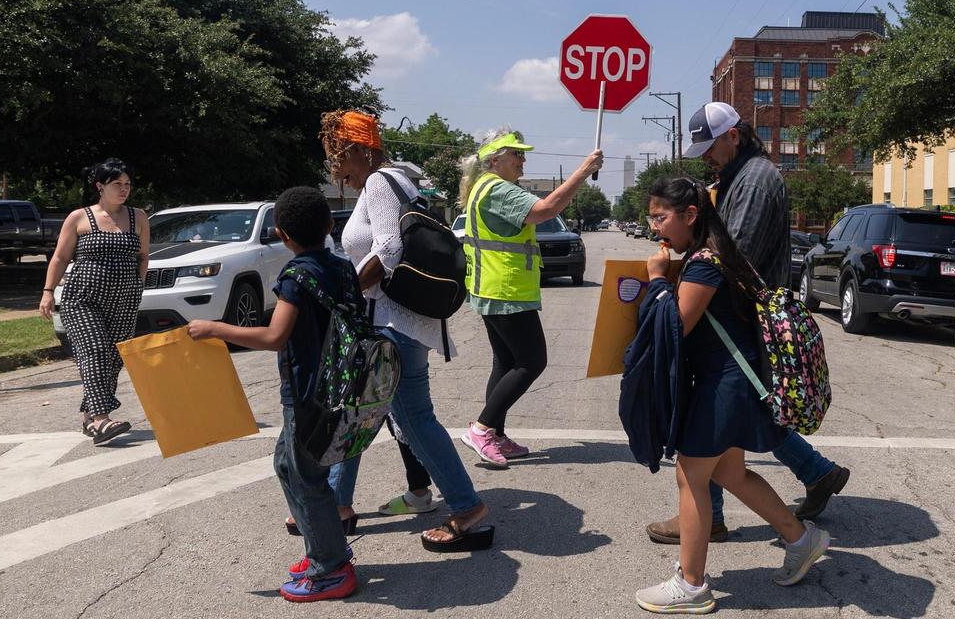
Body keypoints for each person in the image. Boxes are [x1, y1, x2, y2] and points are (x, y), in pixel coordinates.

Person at [645, 102, 850, 546]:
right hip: (738, 316)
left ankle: (711, 518)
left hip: (744, 318)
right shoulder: (739, 175)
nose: (706, 157)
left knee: (729, 415)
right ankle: (812, 476)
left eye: (711, 146)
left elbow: (734, 255)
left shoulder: (756, 179)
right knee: (743, 415)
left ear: (734, 135)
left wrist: (686, 275)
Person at [635, 177, 830, 614]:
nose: (654, 227)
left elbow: (675, 326)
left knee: (690, 476)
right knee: (730, 474)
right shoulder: (720, 255)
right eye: (651, 217)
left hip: (725, 384)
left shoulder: (705, 264)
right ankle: (802, 538)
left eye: (661, 217)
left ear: (690, 216)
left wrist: (656, 279)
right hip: (734, 381)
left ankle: (691, 585)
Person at [320, 110, 490, 549]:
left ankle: (466, 506)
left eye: (339, 158)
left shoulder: (380, 181)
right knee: (357, 408)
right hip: (396, 320)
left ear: (358, 149)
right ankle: (337, 504)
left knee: (411, 417)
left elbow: (390, 248)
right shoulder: (398, 180)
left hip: (394, 321)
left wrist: (347, 294)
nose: (337, 170)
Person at [187, 187, 357, 602]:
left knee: (306, 476)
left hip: (307, 392)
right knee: (287, 464)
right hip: (341, 385)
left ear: (281, 234)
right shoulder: (342, 267)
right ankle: (324, 549)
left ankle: (332, 568)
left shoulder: (296, 276)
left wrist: (214, 329)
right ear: (330, 225)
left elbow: (274, 335)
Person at [457, 128, 603, 467]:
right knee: (531, 361)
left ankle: (496, 434)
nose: (523, 160)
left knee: (506, 363)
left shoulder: (485, 186)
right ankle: (481, 429)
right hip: (506, 289)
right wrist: (583, 170)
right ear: (495, 160)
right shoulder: (498, 189)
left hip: (492, 287)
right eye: (517, 155)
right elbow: (546, 209)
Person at [39, 158, 147, 446]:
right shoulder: (79, 217)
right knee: (96, 351)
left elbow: (143, 256)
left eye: (127, 184)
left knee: (113, 359)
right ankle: (101, 419)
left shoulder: (138, 217)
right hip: (83, 297)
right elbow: (61, 257)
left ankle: (89, 419)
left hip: (124, 299)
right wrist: (48, 291)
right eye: (117, 184)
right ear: (100, 186)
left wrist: (138, 285)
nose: (124, 189)